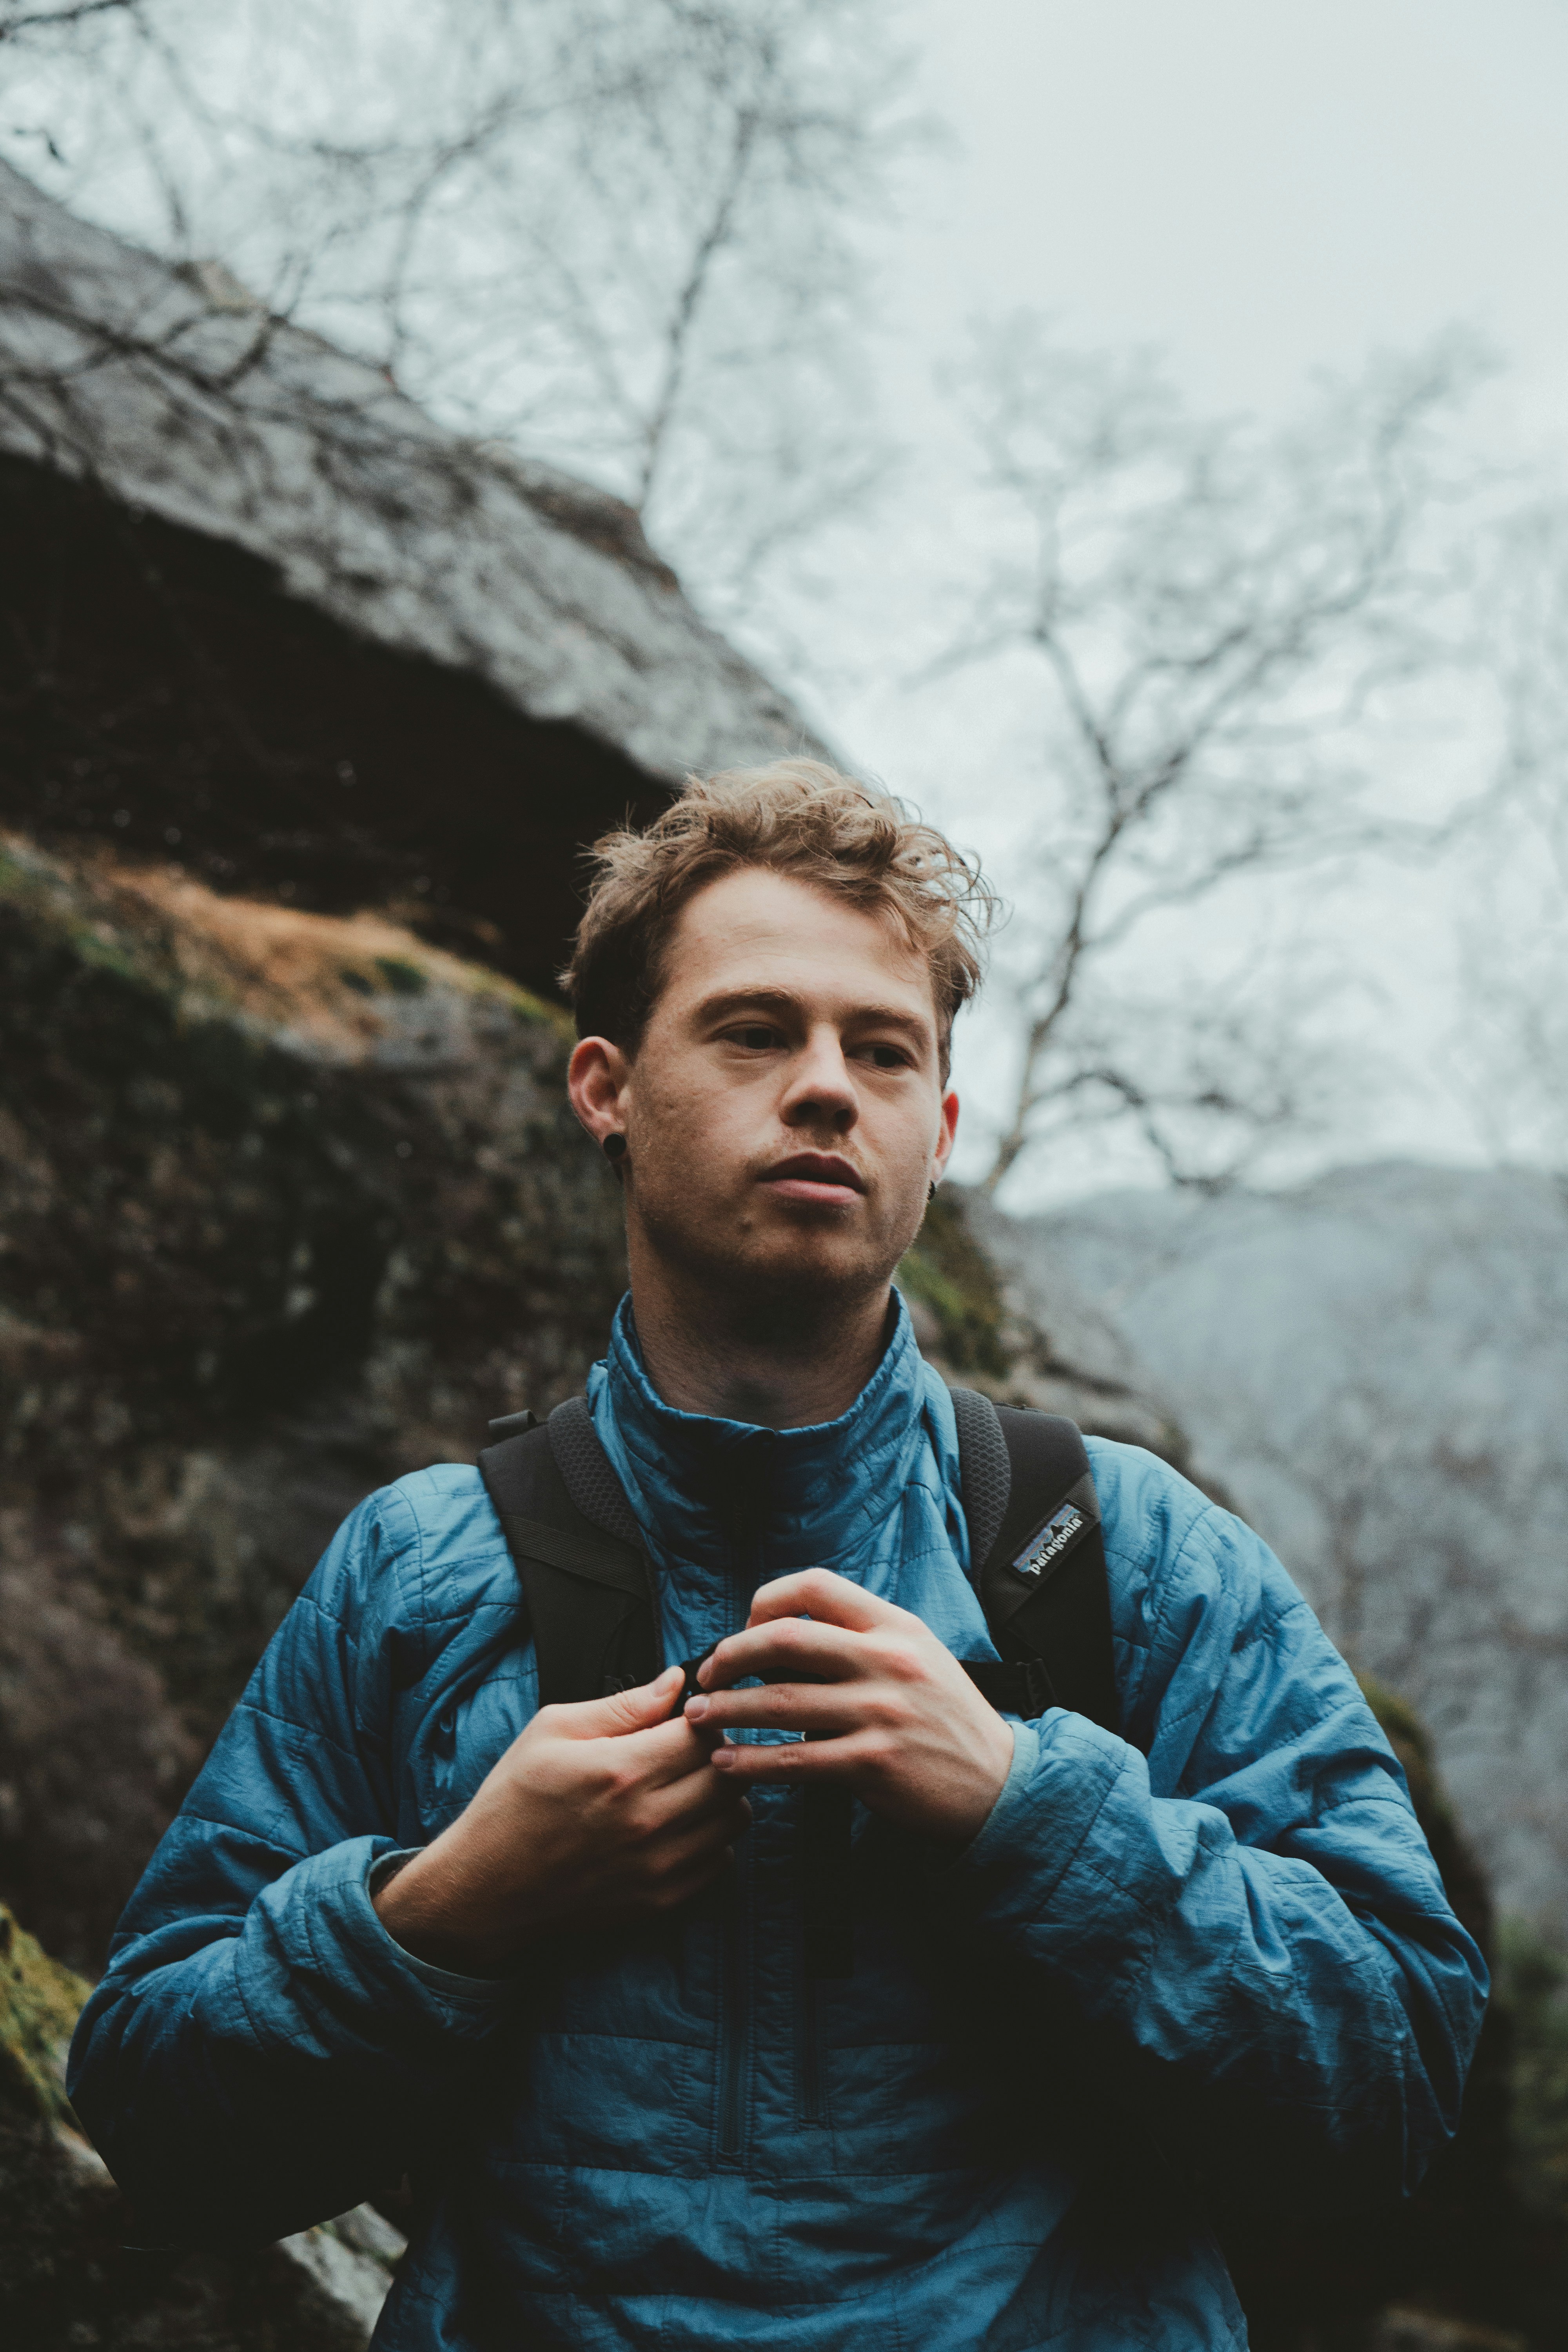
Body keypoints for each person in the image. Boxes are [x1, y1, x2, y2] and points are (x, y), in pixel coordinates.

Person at [70, 761, 1486, 2350]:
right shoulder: (421, 1570)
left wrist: (1028, 1812)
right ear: (606, 1088)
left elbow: (1395, 2083)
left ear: (939, 1128)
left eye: (883, 1050)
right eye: (753, 1031)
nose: (826, 1088)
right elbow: (159, 2126)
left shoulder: (1123, 1552)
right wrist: (448, 1905)